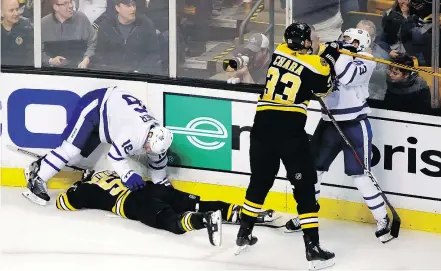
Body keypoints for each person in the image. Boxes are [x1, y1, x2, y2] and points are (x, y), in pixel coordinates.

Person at [235, 22, 335, 270]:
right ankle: (312, 247)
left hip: (261, 128)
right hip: (289, 132)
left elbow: (302, 64)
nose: (315, 40)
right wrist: (331, 56)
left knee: (259, 182)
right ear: (305, 43)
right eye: (312, 38)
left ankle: (244, 233)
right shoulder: (315, 64)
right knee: (304, 188)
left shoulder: (279, 51)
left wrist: (321, 55)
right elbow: (325, 87)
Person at [291, 28, 394, 244]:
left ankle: (382, 218)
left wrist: (336, 54)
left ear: (362, 43)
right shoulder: (332, 55)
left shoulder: (366, 60)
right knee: (312, 172)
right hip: (328, 122)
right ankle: (306, 216)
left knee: (361, 176)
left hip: (355, 123)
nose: (345, 41)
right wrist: (329, 55)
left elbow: (348, 77)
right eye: (344, 38)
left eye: (351, 40)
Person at [23, 86, 173, 206]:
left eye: (150, 149)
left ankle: (40, 165)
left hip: (107, 118)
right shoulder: (135, 134)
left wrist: (162, 187)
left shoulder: (157, 140)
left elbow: (158, 165)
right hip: (96, 105)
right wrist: (127, 174)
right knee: (71, 149)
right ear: (150, 135)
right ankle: (36, 181)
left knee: (76, 159)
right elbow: (115, 156)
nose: (147, 150)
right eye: (148, 146)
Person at [56, 170, 280, 246]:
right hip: (154, 189)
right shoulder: (112, 172)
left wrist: (76, 186)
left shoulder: (87, 189)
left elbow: (63, 203)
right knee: (198, 201)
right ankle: (246, 214)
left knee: (171, 222)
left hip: (133, 204)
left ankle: (204, 219)